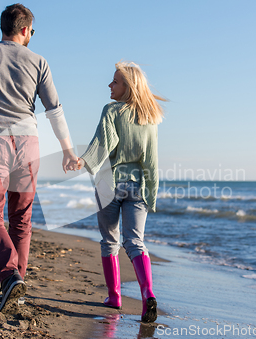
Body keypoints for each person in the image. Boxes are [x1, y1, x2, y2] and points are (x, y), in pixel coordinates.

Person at [0, 4, 78, 313]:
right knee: (22, 218)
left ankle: (11, 276)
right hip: (29, 143)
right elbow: (55, 110)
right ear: (25, 30)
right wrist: (67, 150)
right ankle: (17, 286)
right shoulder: (39, 61)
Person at [77, 61, 166, 323]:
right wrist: (152, 193)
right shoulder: (150, 119)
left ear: (127, 87)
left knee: (109, 240)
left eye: (115, 81)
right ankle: (147, 293)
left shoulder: (112, 110)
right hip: (137, 186)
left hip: (109, 183)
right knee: (135, 241)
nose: (110, 85)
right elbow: (152, 161)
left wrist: (82, 161)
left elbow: (104, 143)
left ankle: (115, 296)